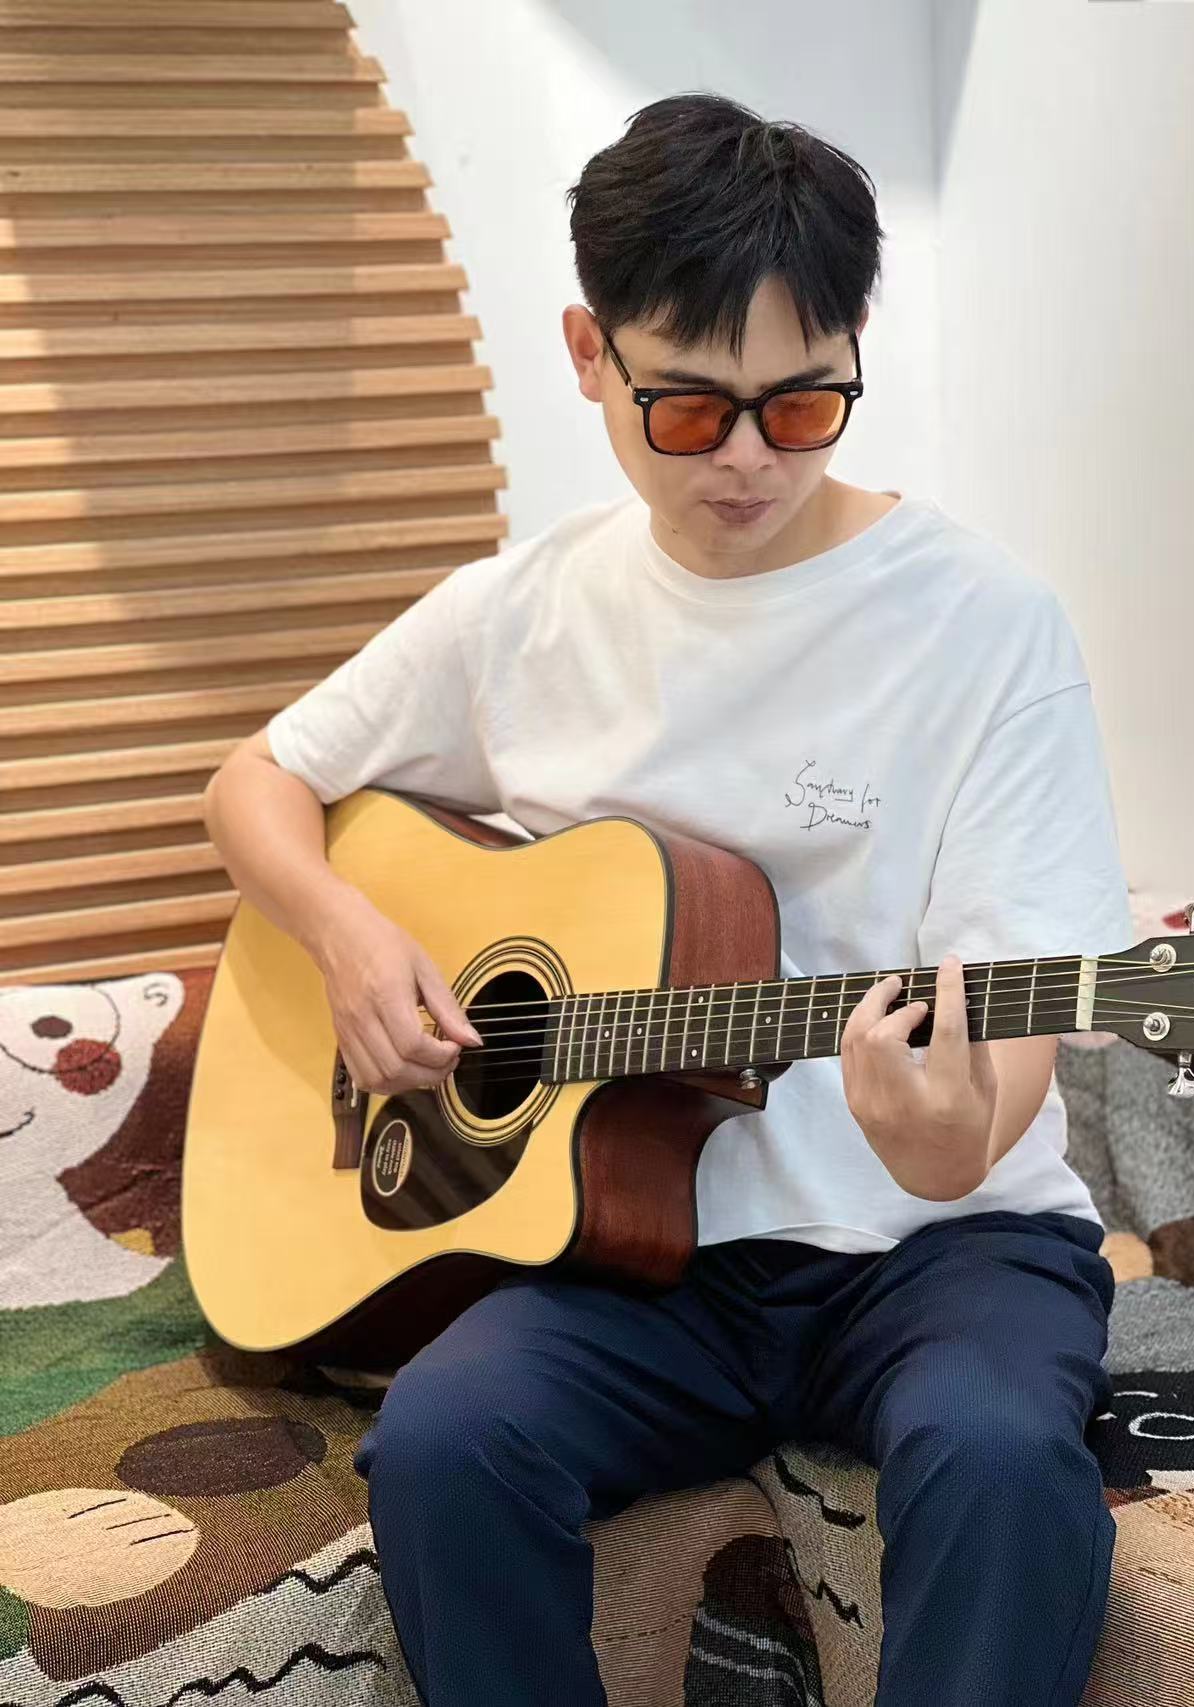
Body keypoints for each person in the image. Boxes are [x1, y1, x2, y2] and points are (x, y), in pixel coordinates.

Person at [203, 91, 1132, 1707]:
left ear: (854, 352)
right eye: (693, 410)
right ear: (591, 353)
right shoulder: (521, 610)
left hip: (944, 1250)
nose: (752, 459)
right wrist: (351, 939)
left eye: (806, 402)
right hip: (640, 1262)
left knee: (997, 1457)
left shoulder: (986, 627)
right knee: (443, 1444)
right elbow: (256, 783)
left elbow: (1005, 1059)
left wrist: (943, 1139)